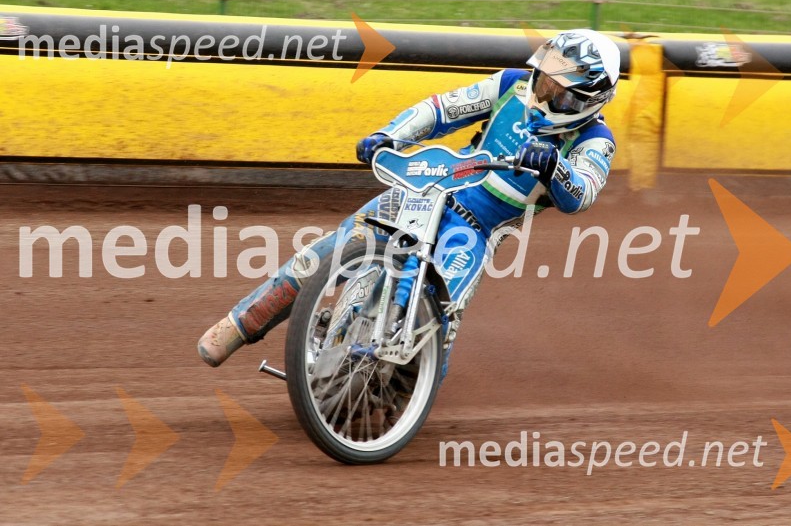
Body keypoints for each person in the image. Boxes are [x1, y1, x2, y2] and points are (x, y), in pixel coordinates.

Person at [197, 29, 620, 372]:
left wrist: (554, 168)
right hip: (424, 190)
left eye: (559, 92)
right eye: (544, 81)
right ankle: (237, 326)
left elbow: (580, 195)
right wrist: (390, 134)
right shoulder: (511, 84)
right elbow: (443, 109)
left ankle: (402, 395)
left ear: (591, 99)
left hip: (476, 230)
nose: (544, 95)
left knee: (442, 317)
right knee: (322, 255)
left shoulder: (596, 141)